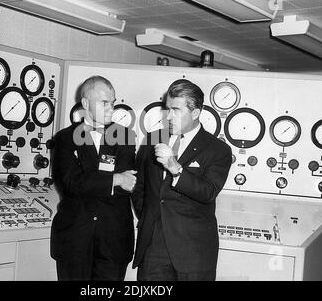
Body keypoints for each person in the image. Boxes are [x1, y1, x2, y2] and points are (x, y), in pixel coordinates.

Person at [132, 79, 232, 281]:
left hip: (193, 251)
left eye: (176, 110)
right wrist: (149, 219)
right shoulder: (152, 139)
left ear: (195, 112)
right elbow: (140, 187)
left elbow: (208, 192)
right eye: (167, 109)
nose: (169, 116)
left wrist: (175, 168)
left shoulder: (218, 150)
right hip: (154, 246)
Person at [50, 75, 137, 280]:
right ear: (86, 103)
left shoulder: (125, 136)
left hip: (113, 240)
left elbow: (128, 183)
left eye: (113, 102)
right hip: (75, 240)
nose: (111, 108)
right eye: (104, 102)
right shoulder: (64, 138)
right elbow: (71, 183)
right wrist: (114, 179)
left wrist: (92, 181)